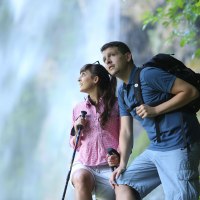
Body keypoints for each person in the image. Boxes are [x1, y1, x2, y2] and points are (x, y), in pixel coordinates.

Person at [101, 41, 200, 200]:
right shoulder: (122, 92)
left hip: (179, 144)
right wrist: (122, 164)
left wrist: (155, 110)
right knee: (122, 183)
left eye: (112, 55)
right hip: (156, 148)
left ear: (127, 56)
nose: (108, 61)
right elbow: (126, 131)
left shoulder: (148, 75)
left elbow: (191, 91)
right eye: (105, 59)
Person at [69, 62, 120, 200]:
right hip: (85, 164)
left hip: (110, 166)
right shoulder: (77, 109)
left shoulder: (117, 104)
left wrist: (119, 155)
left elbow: (125, 135)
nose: (79, 79)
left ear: (95, 79)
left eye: (83, 75)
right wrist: (76, 128)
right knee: (80, 177)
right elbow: (74, 144)